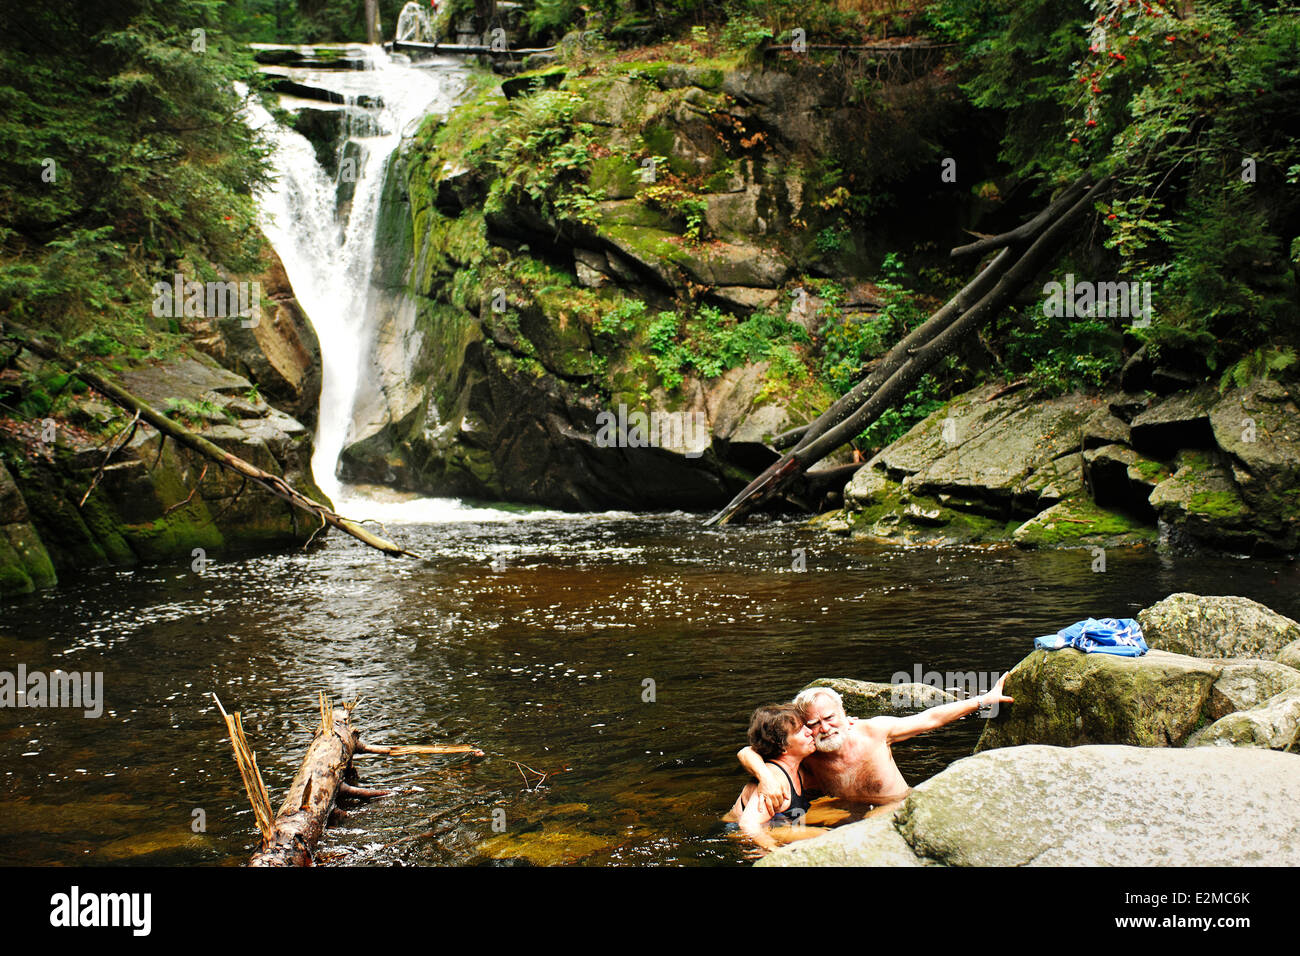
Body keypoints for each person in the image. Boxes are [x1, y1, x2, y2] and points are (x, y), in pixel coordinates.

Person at [738, 675, 1013, 811]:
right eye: (813, 724)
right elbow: (750, 750)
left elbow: (930, 719)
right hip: (849, 821)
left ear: (845, 714)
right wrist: (766, 777)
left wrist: (982, 701)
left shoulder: (874, 731)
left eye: (831, 718)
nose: (825, 728)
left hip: (899, 812)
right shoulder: (809, 751)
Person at [724, 704, 822, 854]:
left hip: (775, 826)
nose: (809, 731)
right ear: (782, 746)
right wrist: (776, 853)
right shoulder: (776, 777)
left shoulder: (797, 769)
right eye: (800, 730)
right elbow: (748, 825)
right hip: (734, 837)